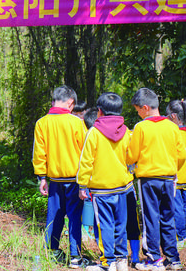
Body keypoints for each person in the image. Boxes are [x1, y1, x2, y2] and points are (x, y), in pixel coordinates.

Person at [127, 88, 185, 271]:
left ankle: (153, 258)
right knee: (168, 217)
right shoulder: (172, 126)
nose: (138, 113)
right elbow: (182, 155)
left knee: (150, 218)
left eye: (137, 110)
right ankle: (173, 259)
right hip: (168, 178)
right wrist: (173, 168)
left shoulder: (141, 127)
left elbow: (131, 155)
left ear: (145, 108)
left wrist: (131, 164)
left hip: (148, 180)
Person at [32, 85, 87, 268]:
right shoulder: (77, 122)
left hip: (54, 180)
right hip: (74, 181)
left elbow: (39, 153)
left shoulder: (42, 123)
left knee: (54, 216)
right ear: (71, 103)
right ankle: (75, 256)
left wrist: (42, 177)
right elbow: (85, 153)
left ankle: (51, 251)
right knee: (74, 218)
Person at [77, 93, 132, 271]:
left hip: (101, 190)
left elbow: (86, 161)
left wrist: (82, 185)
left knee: (104, 226)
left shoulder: (94, 132)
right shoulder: (126, 132)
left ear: (99, 112)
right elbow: (131, 158)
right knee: (120, 224)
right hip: (123, 187)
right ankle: (122, 261)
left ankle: (108, 263)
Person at [166, 98, 186, 246]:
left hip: (176, 176)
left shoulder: (174, 134)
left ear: (173, 116)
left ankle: (180, 236)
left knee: (177, 207)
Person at [80, 106, 98, 242]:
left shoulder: (87, 133)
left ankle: (86, 230)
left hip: (88, 176)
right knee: (88, 201)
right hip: (95, 177)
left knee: (87, 200)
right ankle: (87, 230)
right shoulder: (94, 134)